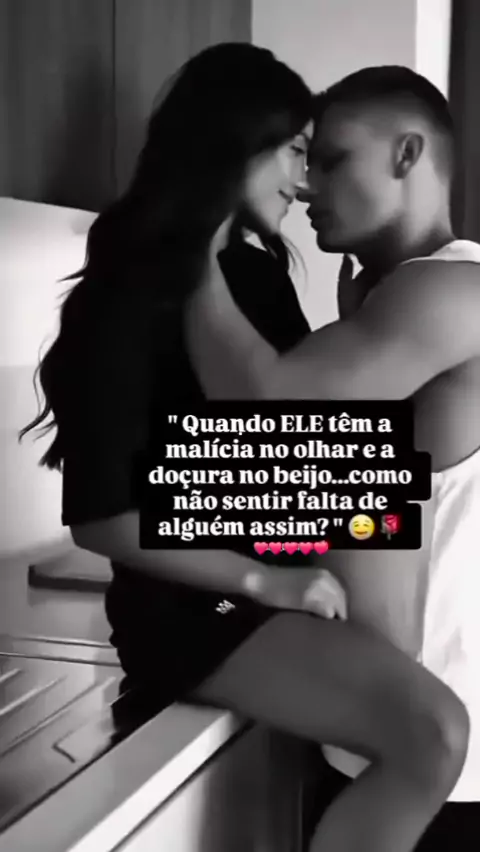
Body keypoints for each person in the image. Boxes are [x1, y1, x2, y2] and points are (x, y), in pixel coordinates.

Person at [19, 47, 468, 852]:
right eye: (296, 152)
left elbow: (295, 448)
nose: (305, 183)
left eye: (319, 156)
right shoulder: (131, 293)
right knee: (433, 732)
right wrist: (265, 576)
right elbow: (101, 514)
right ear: (232, 145)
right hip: (202, 613)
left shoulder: (259, 280)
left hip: (271, 599)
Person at [188, 65, 480, 849]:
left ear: (407, 154)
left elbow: (268, 410)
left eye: (332, 159)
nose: (309, 185)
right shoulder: (403, 299)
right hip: (395, 725)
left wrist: (187, 246)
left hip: (433, 753)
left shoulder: (449, 291)